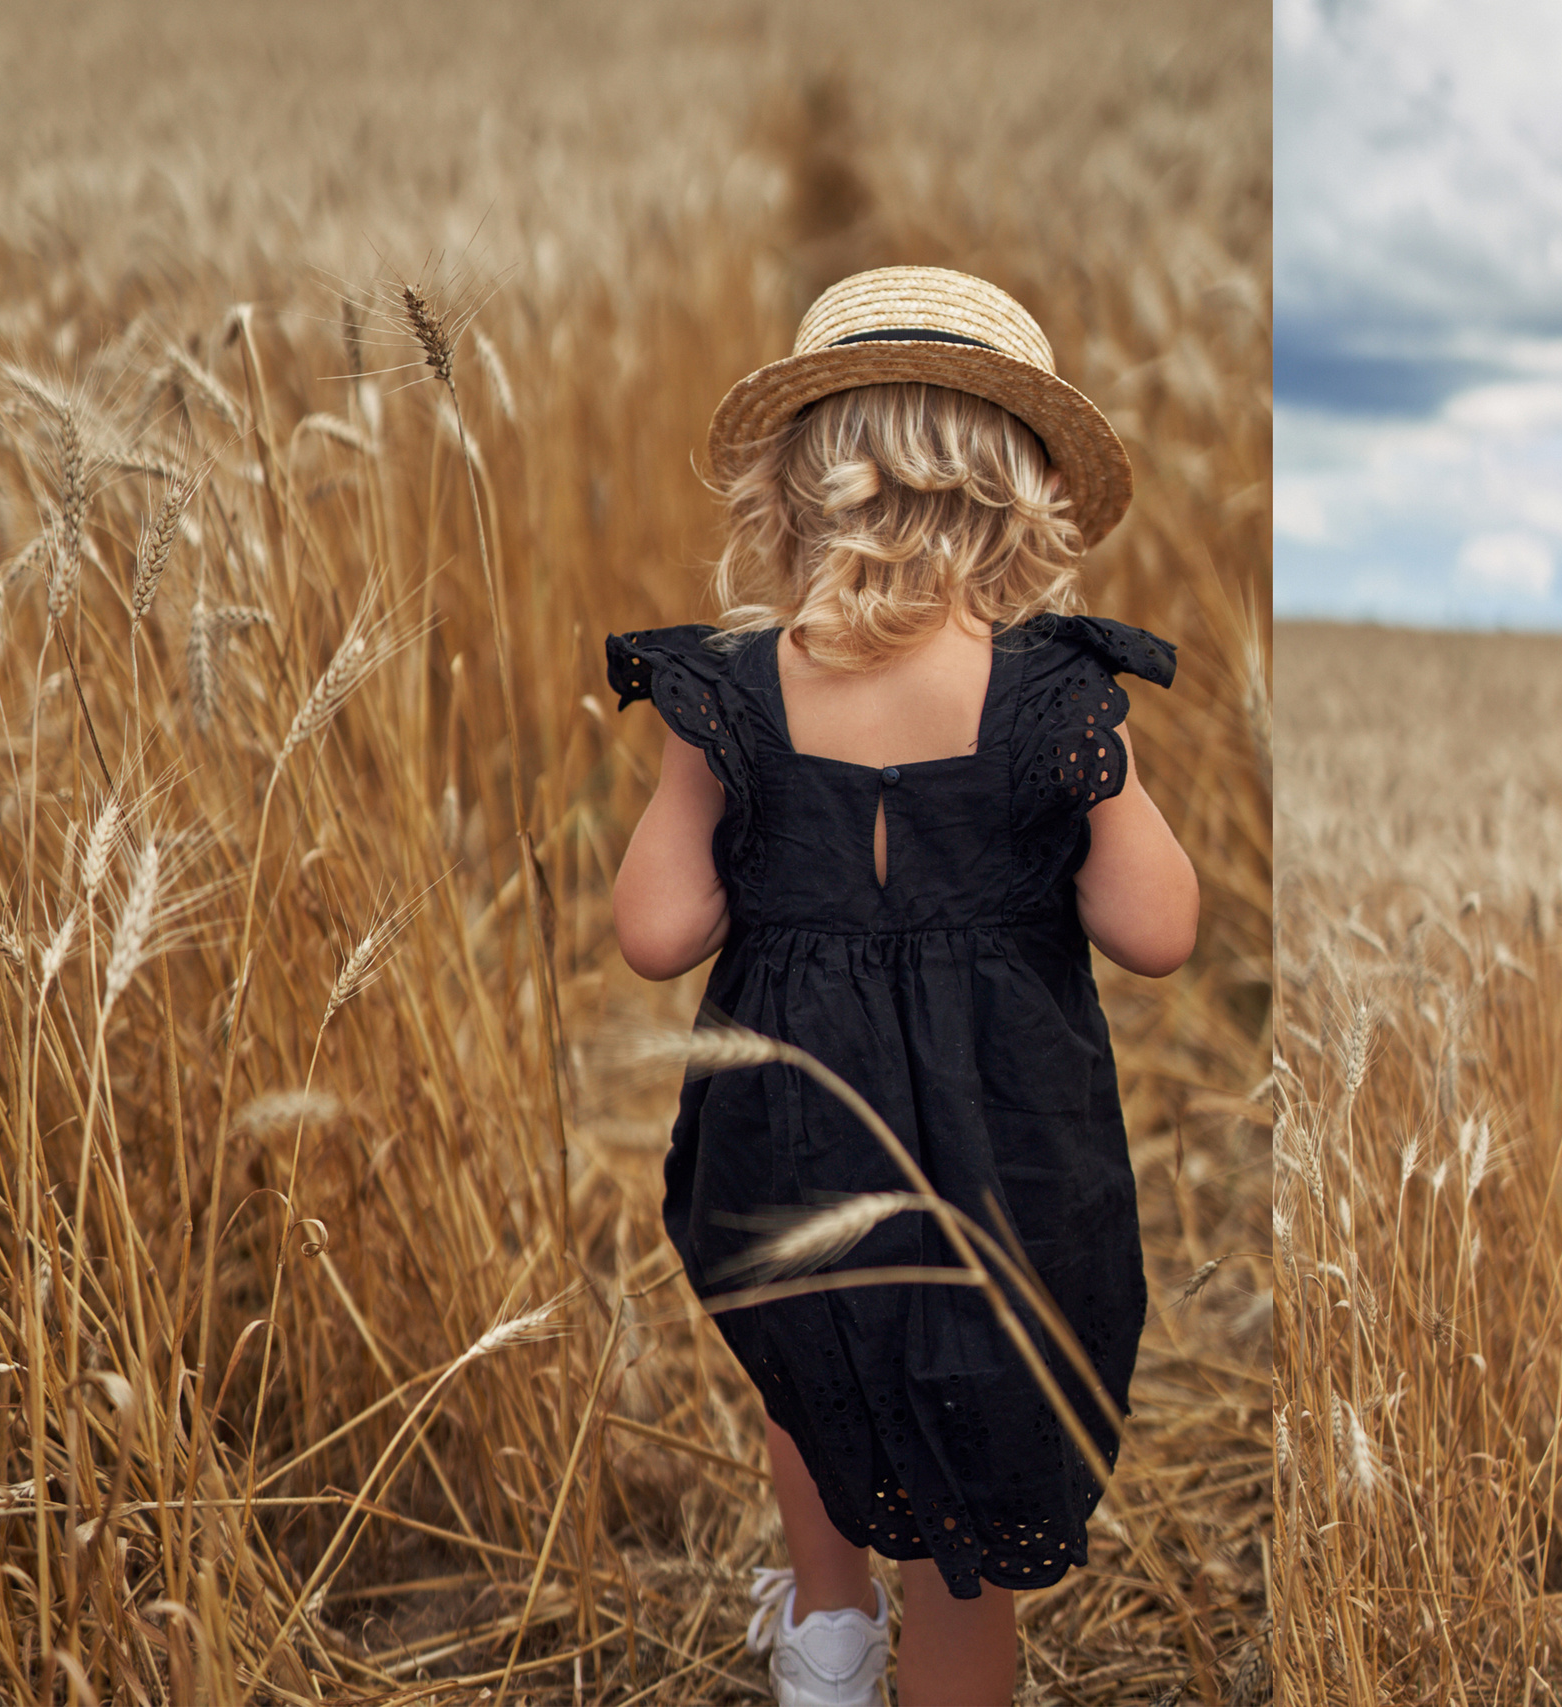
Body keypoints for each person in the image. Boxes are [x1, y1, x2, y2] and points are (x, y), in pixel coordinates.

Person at [606, 266, 1200, 1707]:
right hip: (1007, 1150)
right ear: (1016, 498)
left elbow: (655, 928)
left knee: (818, 1365)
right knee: (965, 1462)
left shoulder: (732, 692)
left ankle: (824, 1636)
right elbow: (1161, 928)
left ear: (802, 486)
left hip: (790, 1129)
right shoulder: (1055, 700)